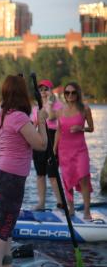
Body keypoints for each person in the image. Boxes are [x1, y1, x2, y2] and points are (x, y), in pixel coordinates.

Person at [0, 75, 47, 267]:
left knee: (8, 224)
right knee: (3, 227)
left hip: (3, 172)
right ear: (22, 93)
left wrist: (35, 121)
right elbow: (41, 144)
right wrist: (41, 122)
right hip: (11, 176)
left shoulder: (2, 114)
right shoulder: (19, 118)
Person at [54, 82, 94, 220]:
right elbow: (58, 131)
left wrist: (81, 128)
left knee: (84, 177)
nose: (70, 95)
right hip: (64, 150)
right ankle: (71, 209)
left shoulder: (85, 109)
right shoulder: (60, 111)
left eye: (73, 92)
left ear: (78, 94)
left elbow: (91, 128)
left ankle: (87, 211)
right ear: (64, 95)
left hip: (80, 149)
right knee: (67, 179)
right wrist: (54, 150)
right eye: (67, 93)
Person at [31, 79, 63, 210]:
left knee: (53, 175)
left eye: (46, 89)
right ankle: (41, 203)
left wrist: (49, 103)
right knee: (40, 174)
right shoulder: (35, 107)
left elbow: (50, 118)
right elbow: (33, 124)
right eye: (41, 90)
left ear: (51, 91)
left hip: (52, 137)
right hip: (39, 138)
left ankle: (61, 203)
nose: (43, 92)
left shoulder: (58, 106)